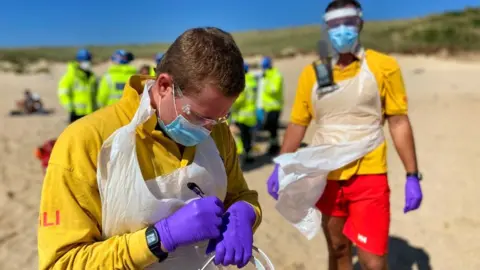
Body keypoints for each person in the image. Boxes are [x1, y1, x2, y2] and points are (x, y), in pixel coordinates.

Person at [38, 27, 262, 270]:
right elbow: (62, 263)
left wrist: (245, 213)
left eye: (221, 117)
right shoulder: (86, 142)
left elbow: (239, 194)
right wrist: (159, 238)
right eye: (199, 116)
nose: (209, 129)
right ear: (165, 85)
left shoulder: (217, 131)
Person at [266, 1, 423, 269]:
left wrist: (411, 174)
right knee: (338, 249)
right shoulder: (313, 73)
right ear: (327, 28)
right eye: (335, 25)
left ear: (360, 23)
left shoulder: (384, 66)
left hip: (369, 174)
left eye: (348, 23)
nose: (342, 31)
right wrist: (282, 165)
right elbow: (297, 123)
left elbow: (397, 121)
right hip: (326, 176)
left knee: (372, 260)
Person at [57, 49, 97, 123]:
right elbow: (63, 92)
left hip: (91, 113)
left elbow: (96, 94)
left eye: (88, 60)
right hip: (76, 114)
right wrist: (70, 108)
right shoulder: (71, 75)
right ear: (79, 61)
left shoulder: (92, 77)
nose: (88, 62)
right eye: (85, 60)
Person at [231, 62, 258, 164]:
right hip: (251, 114)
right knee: (249, 137)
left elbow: (239, 100)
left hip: (242, 116)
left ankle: (242, 155)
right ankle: (250, 155)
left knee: (240, 136)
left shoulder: (242, 83)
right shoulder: (252, 81)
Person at [258, 56, 284, 155]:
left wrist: (266, 84)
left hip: (275, 107)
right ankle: (274, 144)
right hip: (267, 107)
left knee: (272, 127)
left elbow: (274, 89)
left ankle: (274, 146)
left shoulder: (276, 74)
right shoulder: (266, 75)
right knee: (269, 127)